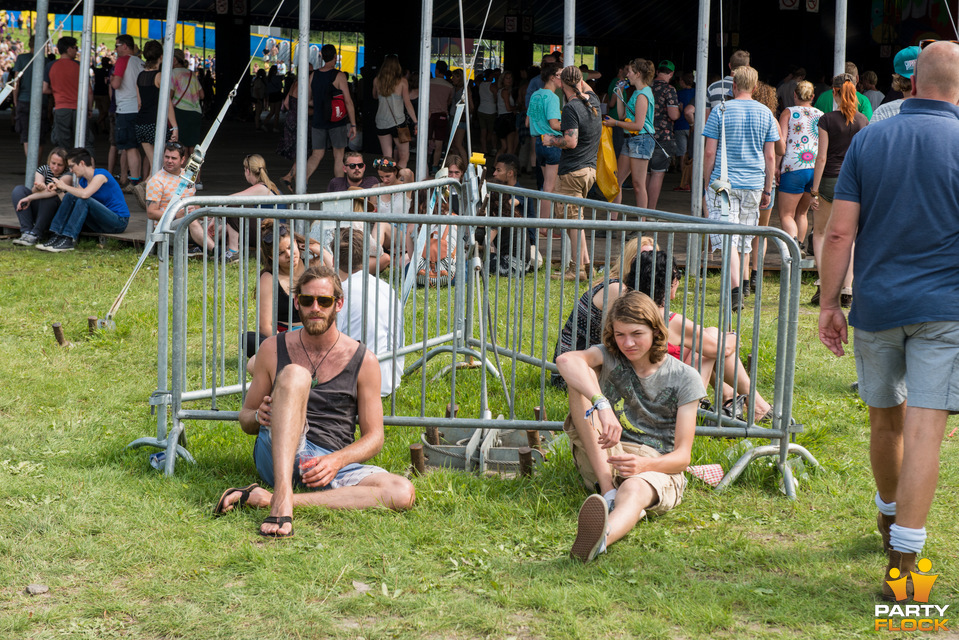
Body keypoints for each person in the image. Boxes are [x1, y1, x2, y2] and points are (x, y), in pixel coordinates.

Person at [817, 40, 959, 601]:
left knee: (885, 420)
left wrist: (830, 303)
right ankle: (904, 557)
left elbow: (837, 232)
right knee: (927, 428)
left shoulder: (872, 136)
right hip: (945, 309)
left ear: (913, 81)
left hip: (876, 305)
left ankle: (886, 515)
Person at [214, 265, 416, 538]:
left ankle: (268, 498)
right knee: (296, 374)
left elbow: (375, 436)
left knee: (401, 492)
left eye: (324, 301)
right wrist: (257, 416)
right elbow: (245, 417)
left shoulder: (364, 360)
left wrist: (336, 461)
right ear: (297, 302)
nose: (315, 308)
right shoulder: (273, 348)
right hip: (277, 452)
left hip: (326, 464)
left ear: (339, 303)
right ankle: (282, 495)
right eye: (307, 300)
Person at [556, 291, 706, 562]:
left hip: (655, 465)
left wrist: (643, 466)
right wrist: (602, 405)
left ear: (656, 331)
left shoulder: (686, 378)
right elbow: (566, 361)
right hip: (605, 453)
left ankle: (601, 539)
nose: (627, 343)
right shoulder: (610, 356)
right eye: (620, 334)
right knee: (578, 383)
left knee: (634, 489)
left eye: (636, 334)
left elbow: (682, 458)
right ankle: (609, 492)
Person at [702, 65, 780, 308]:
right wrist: (768, 188)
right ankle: (744, 283)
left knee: (729, 237)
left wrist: (707, 183)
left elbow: (709, 152)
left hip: (724, 184)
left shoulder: (720, 110)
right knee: (745, 236)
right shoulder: (766, 113)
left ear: (733, 86)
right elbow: (770, 157)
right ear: (755, 88)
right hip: (754, 184)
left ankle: (736, 290)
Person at [809, 73, 868, 308]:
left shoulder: (827, 119)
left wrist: (814, 190)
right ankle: (847, 288)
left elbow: (821, 157)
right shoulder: (863, 120)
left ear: (833, 92)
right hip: (853, 181)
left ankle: (824, 284)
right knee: (850, 237)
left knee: (821, 233)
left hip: (829, 180)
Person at [543, 66, 602, 281]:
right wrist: (570, 74)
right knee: (576, 219)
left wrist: (550, 140)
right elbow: (581, 85)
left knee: (572, 221)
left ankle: (576, 269)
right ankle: (586, 268)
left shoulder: (571, 108)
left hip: (573, 172)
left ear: (561, 83)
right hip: (589, 171)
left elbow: (570, 141)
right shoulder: (593, 100)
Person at [336, 228, 404, 396]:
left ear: (333, 259)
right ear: (367, 258)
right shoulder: (387, 288)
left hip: (358, 382)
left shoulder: (341, 293)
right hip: (391, 377)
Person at [36, 148, 130, 252]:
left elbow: (85, 195)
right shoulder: (84, 181)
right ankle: (57, 235)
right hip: (99, 222)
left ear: (81, 163)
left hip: (118, 222)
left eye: (72, 166)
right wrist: (59, 190)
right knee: (71, 196)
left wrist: (65, 186)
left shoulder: (101, 175)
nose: (71, 170)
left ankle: (68, 239)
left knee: (84, 199)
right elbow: (71, 203)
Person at [776, 80, 822, 252]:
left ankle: (794, 245)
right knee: (802, 213)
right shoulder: (821, 114)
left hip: (793, 167)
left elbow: (781, 143)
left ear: (794, 95)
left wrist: (776, 168)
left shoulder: (788, 113)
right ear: (812, 97)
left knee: (786, 214)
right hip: (814, 167)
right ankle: (800, 249)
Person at [604, 58, 655, 209]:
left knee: (638, 184)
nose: (628, 75)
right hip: (631, 139)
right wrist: (619, 93)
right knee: (616, 181)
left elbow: (638, 125)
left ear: (638, 74)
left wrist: (615, 124)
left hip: (641, 139)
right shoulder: (637, 93)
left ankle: (641, 224)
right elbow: (621, 115)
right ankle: (613, 223)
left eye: (630, 72)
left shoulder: (642, 95)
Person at [304, 44, 358, 183]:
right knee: (339, 156)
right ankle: (338, 189)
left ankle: (302, 183)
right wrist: (353, 124)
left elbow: (308, 100)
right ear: (335, 57)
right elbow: (348, 102)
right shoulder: (339, 75)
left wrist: (320, 105)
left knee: (316, 155)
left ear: (322, 56)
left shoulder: (313, 75)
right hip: (337, 121)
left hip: (318, 121)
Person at [144, 142, 207, 253]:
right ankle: (217, 251)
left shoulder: (188, 176)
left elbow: (194, 201)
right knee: (190, 220)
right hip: (167, 227)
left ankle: (230, 251)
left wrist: (202, 215)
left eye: (174, 158)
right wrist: (176, 215)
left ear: (182, 160)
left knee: (220, 223)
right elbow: (151, 213)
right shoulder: (156, 181)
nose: (169, 161)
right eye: (167, 157)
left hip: (192, 222)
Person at [135, 40, 178, 183]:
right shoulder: (159, 77)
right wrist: (175, 127)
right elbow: (167, 104)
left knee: (155, 163)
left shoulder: (140, 76)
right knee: (161, 163)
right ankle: (149, 189)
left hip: (141, 123)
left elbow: (139, 103)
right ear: (161, 56)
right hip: (155, 123)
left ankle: (146, 186)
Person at [11, 147, 72, 246]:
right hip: (40, 209)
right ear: (49, 161)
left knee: (49, 197)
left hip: (54, 213)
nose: (55, 167)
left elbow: (53, 192)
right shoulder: (43, 169)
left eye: (60, 165)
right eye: (53, 163)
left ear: (65, 164)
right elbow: (35, 188)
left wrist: (30, 197)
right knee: (19, 190)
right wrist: (38, 187)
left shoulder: (68, 174)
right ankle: (26, 231)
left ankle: (36, 233)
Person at [43, 36, 93, 153]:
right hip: (79, 109)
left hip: (61, 108)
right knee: (85, 143)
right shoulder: (80, 66)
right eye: (75, 47)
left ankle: (63, 169)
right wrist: (90, 108)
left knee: (62, 144)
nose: (77, 50)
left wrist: (56, 90)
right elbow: (89, 91)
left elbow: (44, 89)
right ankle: (87, 168)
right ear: (68, 48)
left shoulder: (50, 66)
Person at [526, 62, 563, 222]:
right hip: (552, 144)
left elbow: (528, 122)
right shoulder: (553, 97)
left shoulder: (535, 95)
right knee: (550, 187)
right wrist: (572, 126)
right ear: (553, 77)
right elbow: (555, 124)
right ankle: (544, 224)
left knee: (547, 186)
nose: (564, 79)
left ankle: (546, 221)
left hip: (539, 144)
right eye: (561, 75)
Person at [372, 54, 418, 169]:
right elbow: (407, 103)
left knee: (387, 157)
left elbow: (374, 96)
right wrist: (416, 122)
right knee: (405, 155)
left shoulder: (377, 80)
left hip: (381, 122)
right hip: (400, 123)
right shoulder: (403, 81)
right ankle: (399, 183)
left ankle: (387, 180)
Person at [111, 34, 145, 189]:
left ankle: (134, 181)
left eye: (117, 45)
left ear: (125, 46)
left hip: (126, 109)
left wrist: (111, 79)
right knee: (139, 147)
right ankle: (138, 179)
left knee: (130, 148)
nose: (115, 49)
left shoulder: (122, 60)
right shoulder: (141, 62)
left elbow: (116, 84)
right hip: (140, 109)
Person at [646, 60, 680, 211]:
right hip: (662, 136)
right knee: (657, 174)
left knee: (645, 173)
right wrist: (678, 111)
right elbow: (673, 115)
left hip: (644, 134)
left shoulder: (646, 87)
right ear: (671, 74)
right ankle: (651, 211)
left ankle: (642, 210)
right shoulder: (669, 89)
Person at [170, 48, 204, 188]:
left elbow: (169, 96)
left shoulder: (173, 73)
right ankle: (197, 180)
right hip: (195, 113)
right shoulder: (191, 74)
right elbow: (202, 95)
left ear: (175, 60)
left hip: (180, 113)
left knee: (181, 148)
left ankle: (183, 179)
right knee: (194, 150)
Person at [495, 70, 519, 157]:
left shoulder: (500, 91)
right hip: (507, 119)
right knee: (510, 147)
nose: (509, 80)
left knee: (504, 146)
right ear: (503, 80)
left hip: (500, 118)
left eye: (510, 78)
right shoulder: (505, 91)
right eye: (507, 78)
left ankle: (495, 164)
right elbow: (508, 108)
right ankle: (508, 166)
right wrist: (516, 108)